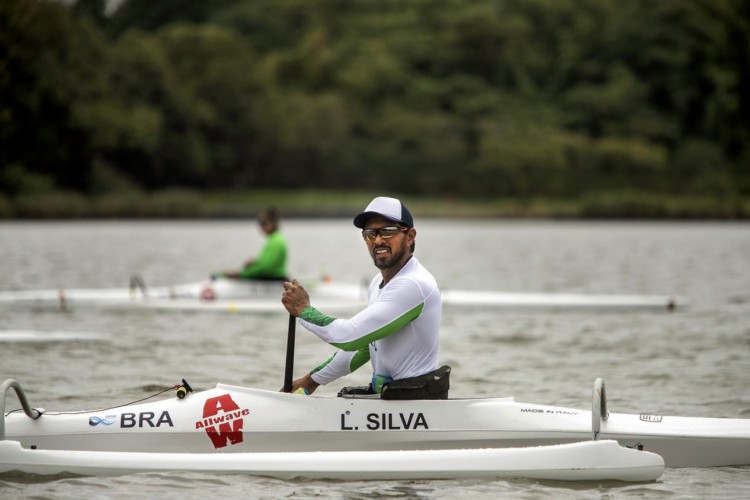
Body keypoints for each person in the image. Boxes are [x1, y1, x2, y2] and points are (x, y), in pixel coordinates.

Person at [281, 196, 449, 400]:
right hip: (390, 399)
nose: (378, 240)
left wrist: (304, 311)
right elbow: (364, 347)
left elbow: (349, 337)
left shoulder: (412, 284)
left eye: (388, 231)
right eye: (370, 233)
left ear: (410, 236)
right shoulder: (378, 283)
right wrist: (311, 381)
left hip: (414, 403)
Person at [215, 207, 288, 281]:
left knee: (221, 275)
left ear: (273, 223)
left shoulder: (275, 242)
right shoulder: (276, 239)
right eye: (259, 223)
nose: (260, 227)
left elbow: (265, 268)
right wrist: (256, 263)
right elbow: (267, 265)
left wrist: (241, 274)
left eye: (263, 223)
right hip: (273, 276)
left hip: (273, 279)